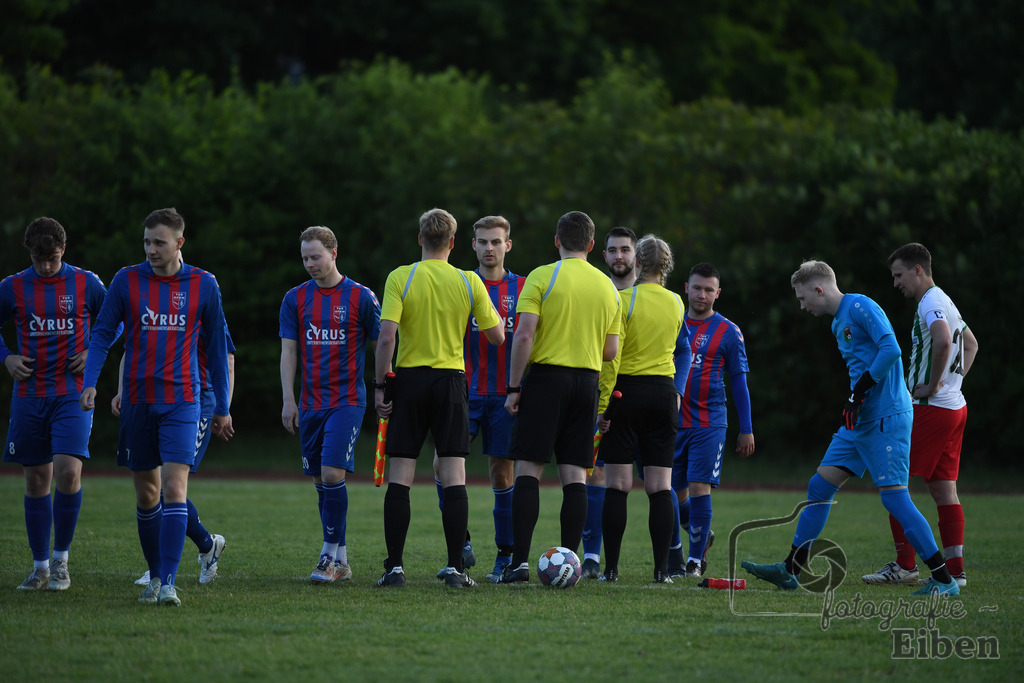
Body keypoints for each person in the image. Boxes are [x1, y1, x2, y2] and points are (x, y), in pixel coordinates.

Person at [742, 260, 960, 597]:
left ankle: (944, 580)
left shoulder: (859, 305)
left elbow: (891, 348)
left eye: (802, 299)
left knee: (895, 500)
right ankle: (791, 569)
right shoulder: (836, 324)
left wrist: (860, 391)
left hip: (887, 418)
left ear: (819, 289)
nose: (802, 306)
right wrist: (855, 399)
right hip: (860, 422)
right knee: (820, 487)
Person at [80, 207, 232, 607]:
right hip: (137, 402)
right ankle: (154, 575)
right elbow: (101, 336)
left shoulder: (204, 284)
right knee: (147, 494)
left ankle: (167, 583)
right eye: (147, 242)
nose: (151, 249)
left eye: (159, 242)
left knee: (173, 487)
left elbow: (218, 350)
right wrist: (91, 383)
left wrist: (223, 405)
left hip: (183, 400)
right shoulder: (126, 280)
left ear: (179, 243)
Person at [374, 208, 504, 589]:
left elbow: (386, 338)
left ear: (420, 239)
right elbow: (497, 336)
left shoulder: (402, 276)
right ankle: (455, 569)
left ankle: (394, 569)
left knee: (401, 476)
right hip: (451, 382)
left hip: (410, 380)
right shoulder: (468, 281)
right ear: (452, 242)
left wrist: (381, 386)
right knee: (453, 477)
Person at [499, 210, 621, 584]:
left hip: (546, 380)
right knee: (574, 475)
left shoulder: (541, 276)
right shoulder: (607, 287)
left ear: (557, 241)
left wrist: (514, 387)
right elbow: (611, 351)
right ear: (590, 244)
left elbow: (523, 336)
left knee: (529, 470)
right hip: (586, 383)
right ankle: (571, 563)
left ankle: (519, 563)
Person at [1, 217, 112, 591]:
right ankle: (39, 566)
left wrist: (90, 350)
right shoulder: (13, 287)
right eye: (39, 259)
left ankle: (62, 561)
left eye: (52, 258)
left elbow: (117, 321)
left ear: (63, 250)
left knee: (67, 471)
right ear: (29, 253)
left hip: (72, 392)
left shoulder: (87, 282)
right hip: (30, 396)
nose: (46, 266)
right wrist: (6, 357)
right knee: (36, 479)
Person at [862, 243, 978, 587]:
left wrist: (932, 384)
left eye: (899, 275)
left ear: (917, 270)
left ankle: (905, 566)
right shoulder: (946, 300)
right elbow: (970, 344)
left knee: (893, 483)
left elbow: (944, 341)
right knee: (944, 490)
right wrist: (952, 384)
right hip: (955, 408)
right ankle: (956, 571)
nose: (896, 283)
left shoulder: (930, 301)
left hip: (931, 410)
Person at [280, 226, 381, 584]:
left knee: (332, 474)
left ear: (333, 253)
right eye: (305, 258)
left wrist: (384, 386)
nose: (310, 264)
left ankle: (328, 555)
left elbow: (381, 344)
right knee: (320, 482)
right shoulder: (294, 299)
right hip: (310, 404)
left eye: (316, 257)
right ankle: (341, 557)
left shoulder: (361, 297)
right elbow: (289, 351)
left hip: (347, 401)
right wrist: (288, 399)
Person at [431, 215, 525, 582]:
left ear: (507, 245)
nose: (489, 248)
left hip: (506, 396)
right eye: (482, 241)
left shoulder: (524, 288)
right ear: (471, 245)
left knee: (502, 473)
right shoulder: (459, 283)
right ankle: (462, 545)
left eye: (496, 242)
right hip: (461, 391)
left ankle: (505, 554)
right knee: (441, 465)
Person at [596, 235, 690, 583]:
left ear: (637, 262)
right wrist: (676, 392)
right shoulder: (678, 303)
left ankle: (611, 569)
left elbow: (612, 357)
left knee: (618, 485)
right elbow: (680, 350)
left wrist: (603, 407)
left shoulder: (623, 300)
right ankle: (662, 571)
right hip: (664, 394)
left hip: (626, 393)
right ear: (666, 268)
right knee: (660, 486)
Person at [122, 321, 236, 587]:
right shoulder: (159, 303)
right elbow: (133, 348)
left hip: (199, 400)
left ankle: (160, 568)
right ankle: (208, 545)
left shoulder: (203, 298)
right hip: (158, 398)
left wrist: (224, 406)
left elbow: (227, 358)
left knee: (167, 485)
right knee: (157, 485)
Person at [669, 263, 755, 578]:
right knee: (671, 491)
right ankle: (701, 532)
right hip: (672, 422)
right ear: (686, 288)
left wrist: (746, 429)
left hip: (709, 422)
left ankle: (694, 563)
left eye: (709, 290)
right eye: (697, 288)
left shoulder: (729, 331)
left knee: (698, 486)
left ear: (717, 293)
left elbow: (739, 383)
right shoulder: (672, 323)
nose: (702, 295)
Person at [581, 226, 637, 580]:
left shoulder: (651, 296)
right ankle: (591, 556)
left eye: (625, 250)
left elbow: (681, 348)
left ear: (636, 256)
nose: (619, 256)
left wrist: (677, 391)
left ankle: (685, 548)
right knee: (596, 472)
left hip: (645, 398)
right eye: (613, 250)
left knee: (661, 479)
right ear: (603, 255)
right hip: (601, 396)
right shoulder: (597, 293)